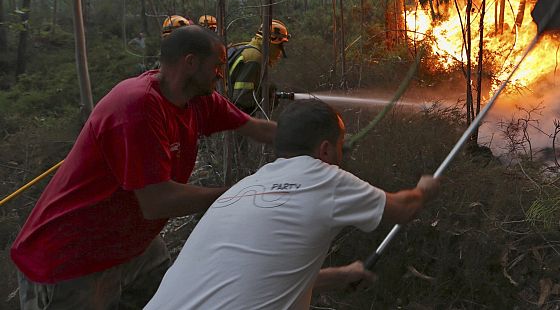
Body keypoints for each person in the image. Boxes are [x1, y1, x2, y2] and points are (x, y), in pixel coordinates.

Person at [11, 26, 278, 309]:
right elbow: (157, 201)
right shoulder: (137, 106)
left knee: (162, 282)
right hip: (72, 258)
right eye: (217, 66)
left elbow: (255, 127)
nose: (221, 74)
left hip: (128, 244)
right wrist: (240, 193)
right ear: (190, 62)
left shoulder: (199, 102)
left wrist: (305, 136)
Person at [145, 99, 439, 309]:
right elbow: (404, 208)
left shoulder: (243, 188)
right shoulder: (324, 178)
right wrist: (424, 188)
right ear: (325, 150)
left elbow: (257, 276)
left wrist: (339, 276)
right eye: (340, 146)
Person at [227, 18, 291, 114]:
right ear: (271, 43)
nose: (280, 52)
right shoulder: (254, 58)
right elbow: (241, 100)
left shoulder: (248, 48)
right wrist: (265, 100)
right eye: (280, 46)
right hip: (232, 116)